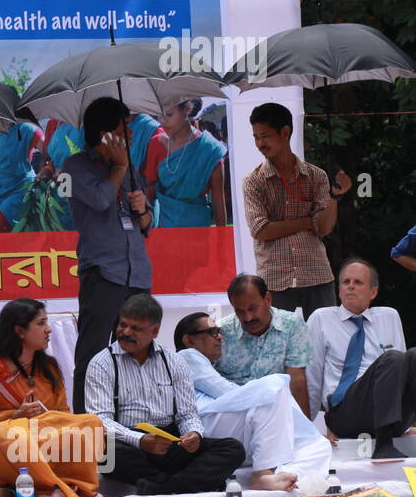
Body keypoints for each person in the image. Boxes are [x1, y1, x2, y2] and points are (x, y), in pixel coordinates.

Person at [85, 294, 244, 495]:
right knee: (106, 454)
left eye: (136, 328)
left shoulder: (173, 361)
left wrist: (194, 434)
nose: (125, 333)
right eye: (123, 325)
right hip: (129, 443)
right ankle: (183, 485)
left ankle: (161, 488)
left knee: (232, 449)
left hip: (170, 442)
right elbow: (100, 420)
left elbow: (187, 415)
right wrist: (140, 440)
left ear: (155, 331)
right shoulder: (102, 363)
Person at [0, 298, 104, 497]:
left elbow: (62, 414)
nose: (49, 330)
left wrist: (43, 419)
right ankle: (50, 487)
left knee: (90, 422)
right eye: (41, 323)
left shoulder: (49, 369)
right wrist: (15, 416)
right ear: (20, 331)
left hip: (40, 440)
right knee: (10, 433)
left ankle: (74, 484)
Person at [65, 97, 153, 412]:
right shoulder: (74, 167)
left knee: (137, 354)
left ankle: (131, 424)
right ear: (105, 134)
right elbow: (102, 200)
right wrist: (118, 168)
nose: (129, 136)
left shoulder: (129, 167)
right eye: (123, 129)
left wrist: (143, 209)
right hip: (103, 273)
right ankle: (85, 427)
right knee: (92, 354)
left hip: (137, 273)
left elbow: (145, 224)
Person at [175, 311, 329, 486]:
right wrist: (259, 390)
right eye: (212, 332)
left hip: (229, 426)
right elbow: (224, 392)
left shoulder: (210, 364)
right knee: (275, 385)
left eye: (219, 331)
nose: (219, 337)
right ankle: (262, 473)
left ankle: (288, 475)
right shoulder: (185, 356)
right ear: (189, 340)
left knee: (317, 445)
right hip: (202, 425)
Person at [242, 102, 350, 318]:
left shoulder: (316, 176)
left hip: (316, 273)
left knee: (326, 341)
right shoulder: (253, 181)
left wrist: (335, 196)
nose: (260, 143)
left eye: (264, 136)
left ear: (285, 132)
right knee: (278, 343)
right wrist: (308, 222)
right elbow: (260, 230)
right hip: (275, 278)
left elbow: (325, 227)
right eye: (255, 137)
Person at [307, 258, 416, 458]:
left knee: (411, 356)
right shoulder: (321, 318)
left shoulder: (389, 316)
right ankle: (383, 446)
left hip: (387, 409)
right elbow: (312, 377)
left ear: (373, 292)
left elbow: (403, 373)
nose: (350, 286)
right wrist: (311, 430)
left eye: (358, 282)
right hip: (345, 413)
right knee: (392, 358)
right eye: (345, 282)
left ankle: (393, 428)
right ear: (338, 289)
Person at [214, 274, 312, 416]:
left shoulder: (292, 325)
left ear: (268, 299)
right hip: (232, 413)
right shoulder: (221, 332)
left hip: (275, 413)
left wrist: (306, 430)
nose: (248, 317)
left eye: (253, 308)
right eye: (240, 311)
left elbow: (297, 380)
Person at [144, 99, 228, 227]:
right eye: (159, 115)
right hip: (165, 228)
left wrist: (222, 240)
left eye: (169, 114)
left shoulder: (210, 148)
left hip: (199, 230)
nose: (162, 121)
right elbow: (150, 190)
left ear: (187, 109)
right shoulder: (157, 143)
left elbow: (218, 200)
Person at [0, 120, 43, 233]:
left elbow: (47, 153)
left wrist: (44, 171)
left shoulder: (27, 129)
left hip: (22, 191)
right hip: (2, 193)